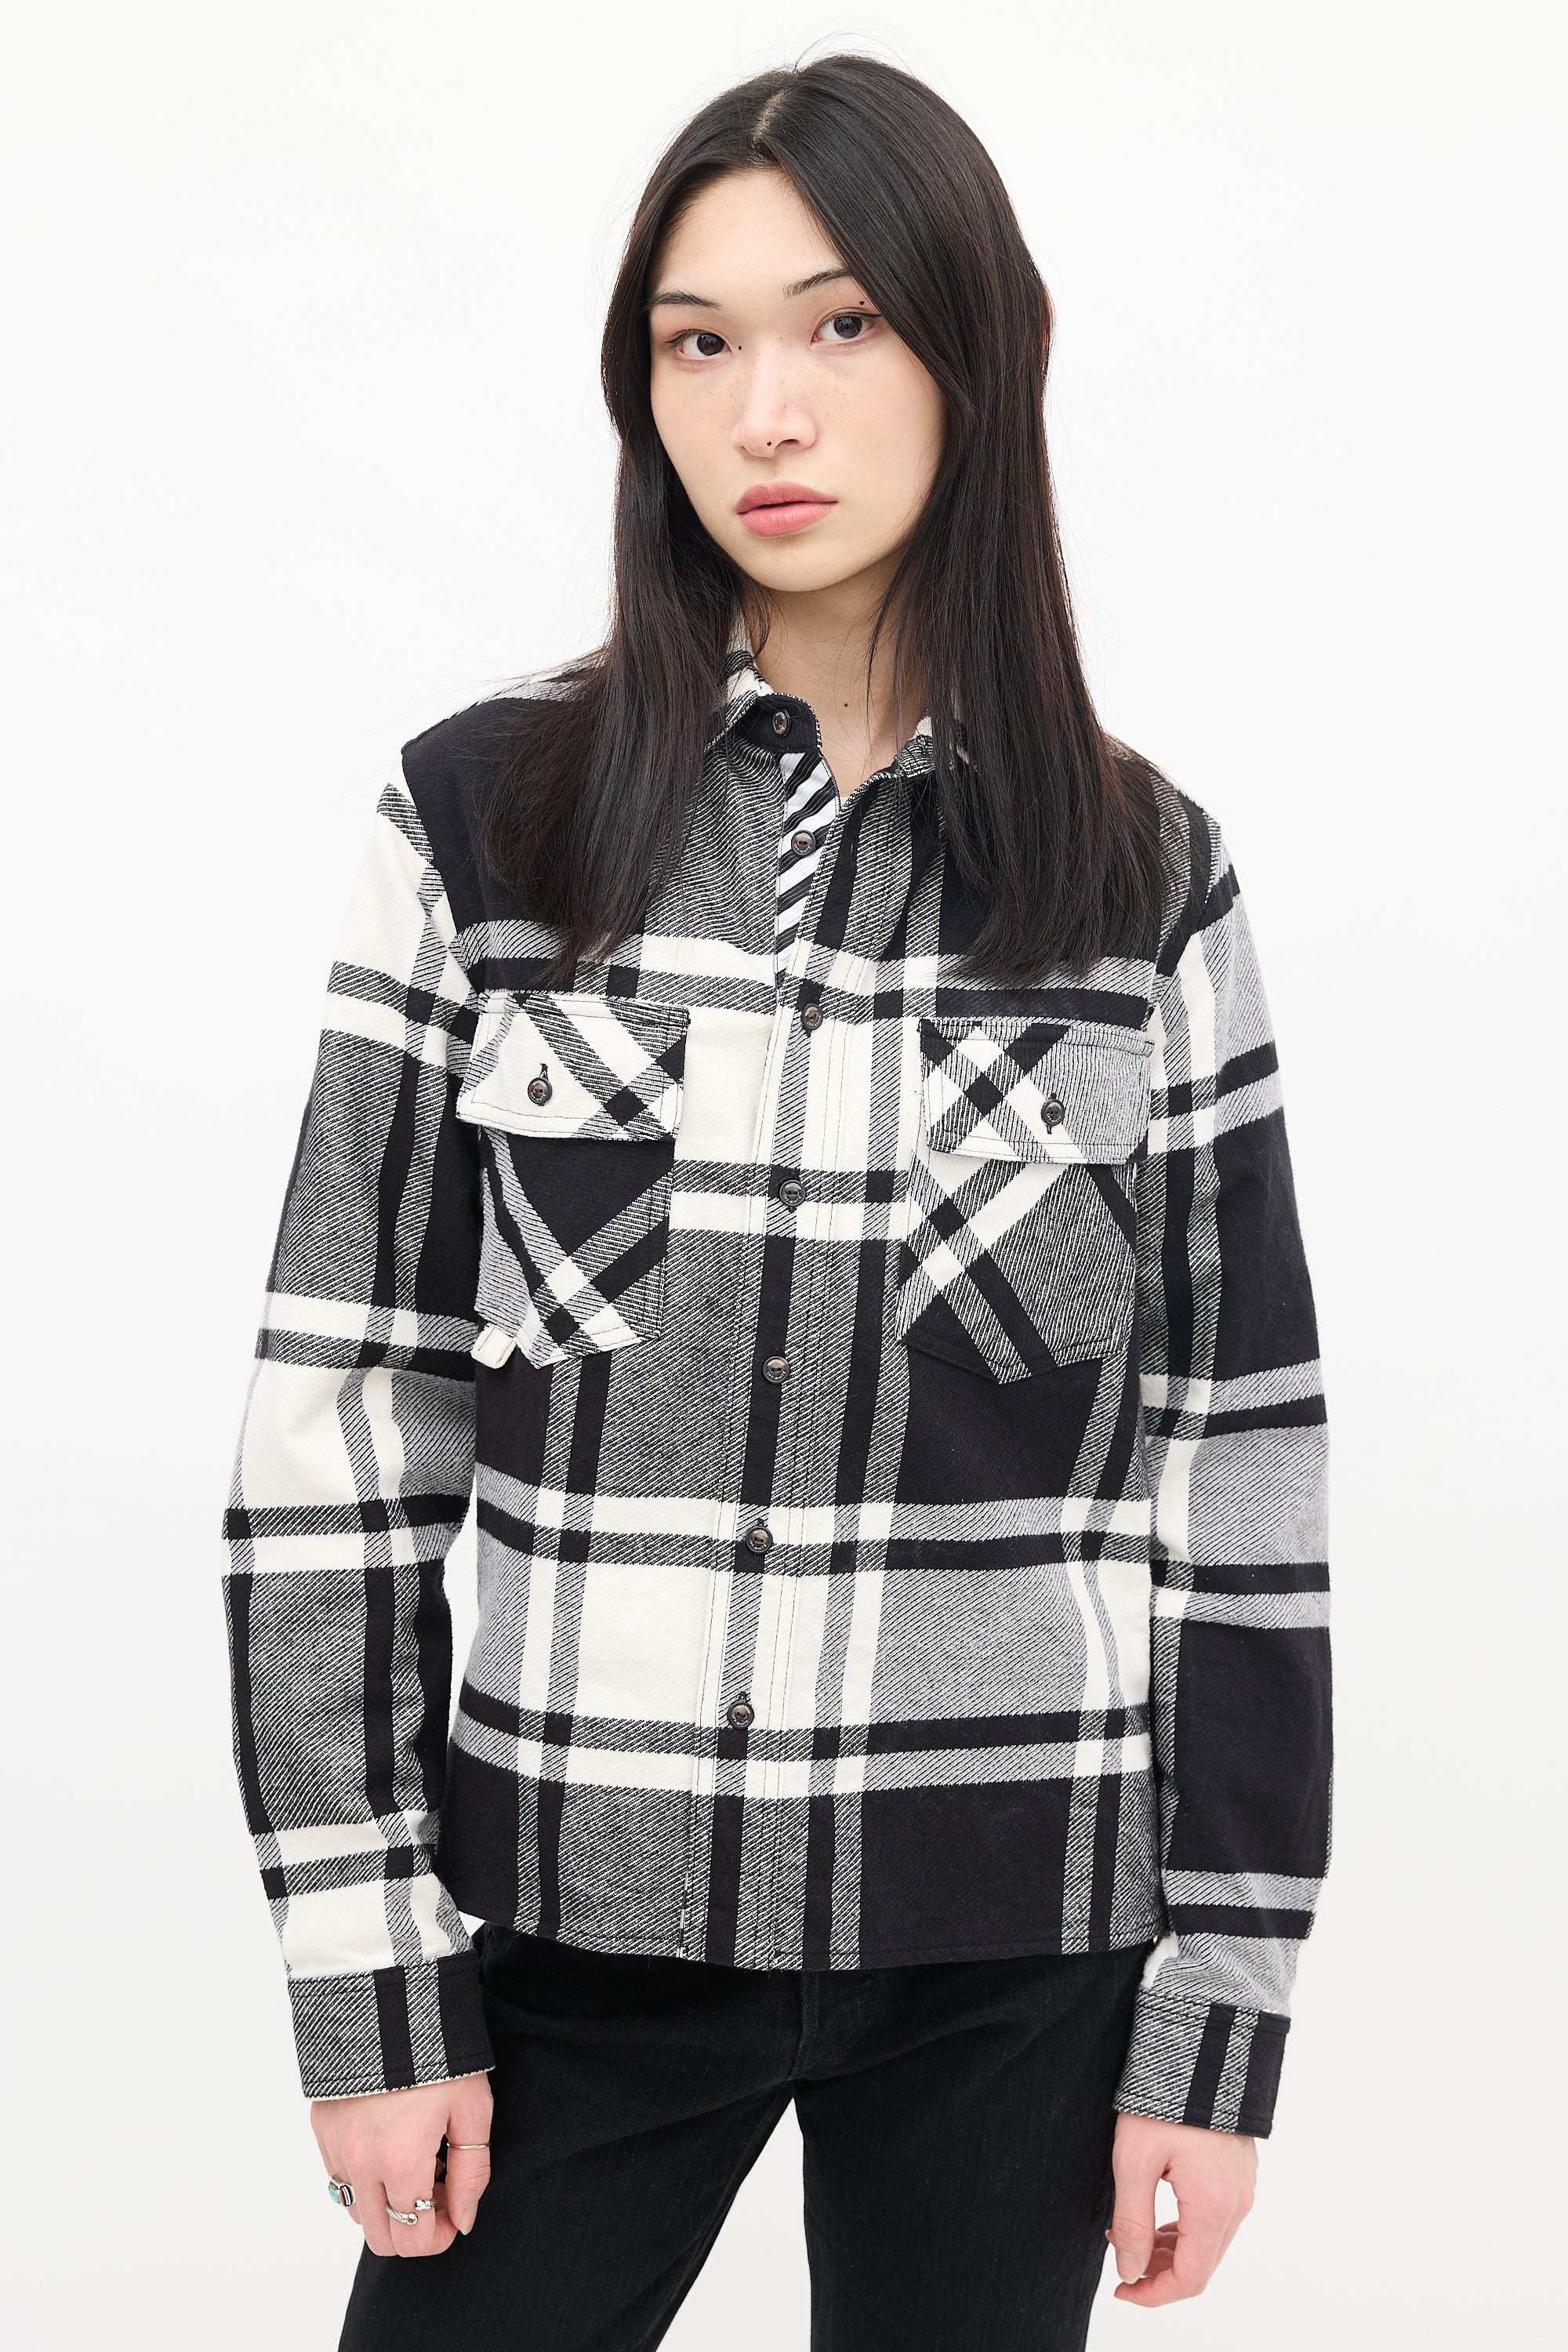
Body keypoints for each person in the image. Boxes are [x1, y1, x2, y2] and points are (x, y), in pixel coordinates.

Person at [220, 53, 1330, 2352]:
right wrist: (369, 1971)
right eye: (698, 342)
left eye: (841, 325)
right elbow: (341, 1431)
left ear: (977, 349)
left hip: (1017, 1943)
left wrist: (1217, 2013)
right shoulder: (486, 825)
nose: (769, 412)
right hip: (574, 1916)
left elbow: (1238, 1468)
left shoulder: (1141, 876)